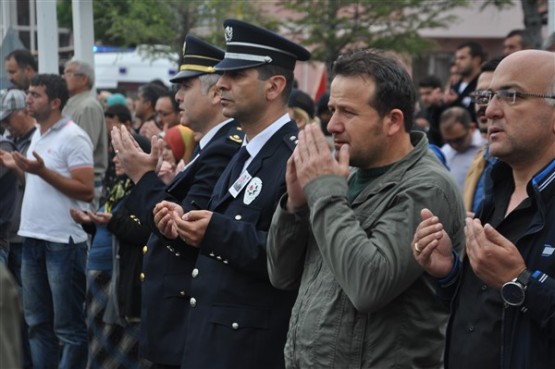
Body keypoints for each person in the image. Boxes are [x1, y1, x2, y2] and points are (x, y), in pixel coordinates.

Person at [266, 49, 466, 369]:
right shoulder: (344, 174)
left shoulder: (427, 187)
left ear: (392, 121)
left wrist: (325, 193)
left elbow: (369, 286)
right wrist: (295, 206)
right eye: (332, 109)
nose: (332, 125)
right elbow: (281, 275)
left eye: (347, 112)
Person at [170, 19, 309, 369]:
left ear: (274, 86)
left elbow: (290, 258)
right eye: (222, 75)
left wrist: (214, 231)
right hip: (214, 339)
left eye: (236, 76)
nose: (221, 85)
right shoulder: (243, 151)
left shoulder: (294, 156)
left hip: (249, 347)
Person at [412, 49, 555, 369]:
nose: (489, 110)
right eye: (488, 96)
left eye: (511, 95)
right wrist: (449, 273)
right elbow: (486, 312)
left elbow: (516, 291)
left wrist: (520, 283)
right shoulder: (495, 189)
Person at [111, 35, 242, 369]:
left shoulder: (224, 147)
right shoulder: (209, 147)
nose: (177, 96)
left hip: (185, 317)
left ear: (215, 93)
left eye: (186, 86)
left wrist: (143, 177)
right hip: (174, 315)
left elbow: (181, 230)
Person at [2, 74, 93, 369]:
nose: (28, 99)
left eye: (36, 95)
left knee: (67, 328)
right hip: (32, 238)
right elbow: (35, 186)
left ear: (55, 102)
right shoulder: (39, 135)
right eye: (28, 94)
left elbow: (85, 189)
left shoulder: (73, 136)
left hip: (62, 243)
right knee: (37, 324)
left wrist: (40, 172)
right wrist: (20, 169)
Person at [70, 136, 152, 369]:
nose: (115, 159)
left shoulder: (144, 191)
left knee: (119, 350)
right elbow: (107, 226)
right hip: (98, 277)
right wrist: (88, 222)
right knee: (97, 345)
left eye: (120, 153)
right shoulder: (117, 187)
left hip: (118, 280)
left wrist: (112, 221)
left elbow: (144, 231)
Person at [0, 88, 36, 369]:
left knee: (26, 311)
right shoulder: (13, 142)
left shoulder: (31, 142)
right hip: (14, 234)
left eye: (8, 118)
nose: (6, 125)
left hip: (23, 234)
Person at [62, 59, 108, 209]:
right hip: (70, 183)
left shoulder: (88, 106)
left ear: (83, 79)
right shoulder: (72, 104)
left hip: (83, 184)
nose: (64, 77)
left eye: (69, 73)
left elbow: (84, 148)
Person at [463, 57, 504, 213]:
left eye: (496, 95)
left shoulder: (526, 166)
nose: (484, 104)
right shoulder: (480, 160)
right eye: (480, 95)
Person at [439, 106, 485, 192]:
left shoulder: (486, 146)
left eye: (458, 140)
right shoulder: (444, 153)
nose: (454, 146)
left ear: (472, 128)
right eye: (448, 141)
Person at [444, 41, 485, 122]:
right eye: (456, 58)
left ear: (476, 60)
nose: (457, 62)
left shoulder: (482, 85)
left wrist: (456, 102)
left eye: (462, 58)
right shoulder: (455, 85)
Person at [417, 75, 446, 146]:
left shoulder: (446, 110)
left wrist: (427, 127)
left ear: (439, 92)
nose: (424, 98)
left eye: (428, 93)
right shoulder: (427, 111)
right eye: (422, 94)